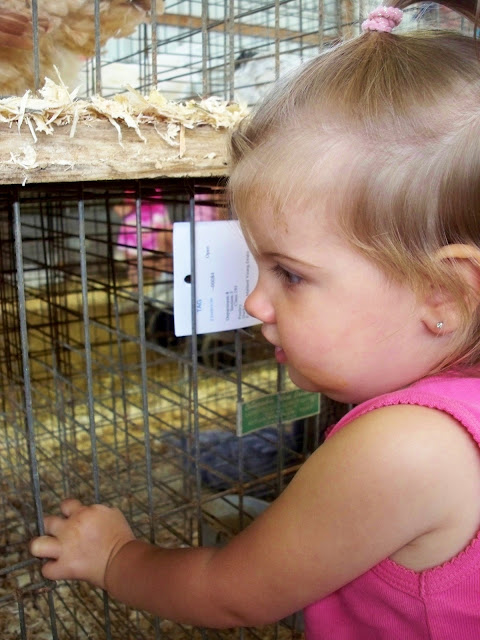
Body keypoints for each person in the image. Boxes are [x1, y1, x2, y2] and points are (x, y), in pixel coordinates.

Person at [30, 0, 480, 636]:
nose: (253, 305)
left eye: (290, 274)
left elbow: (233, 594)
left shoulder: (406, 446)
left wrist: (113, 557)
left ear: (446, 295)